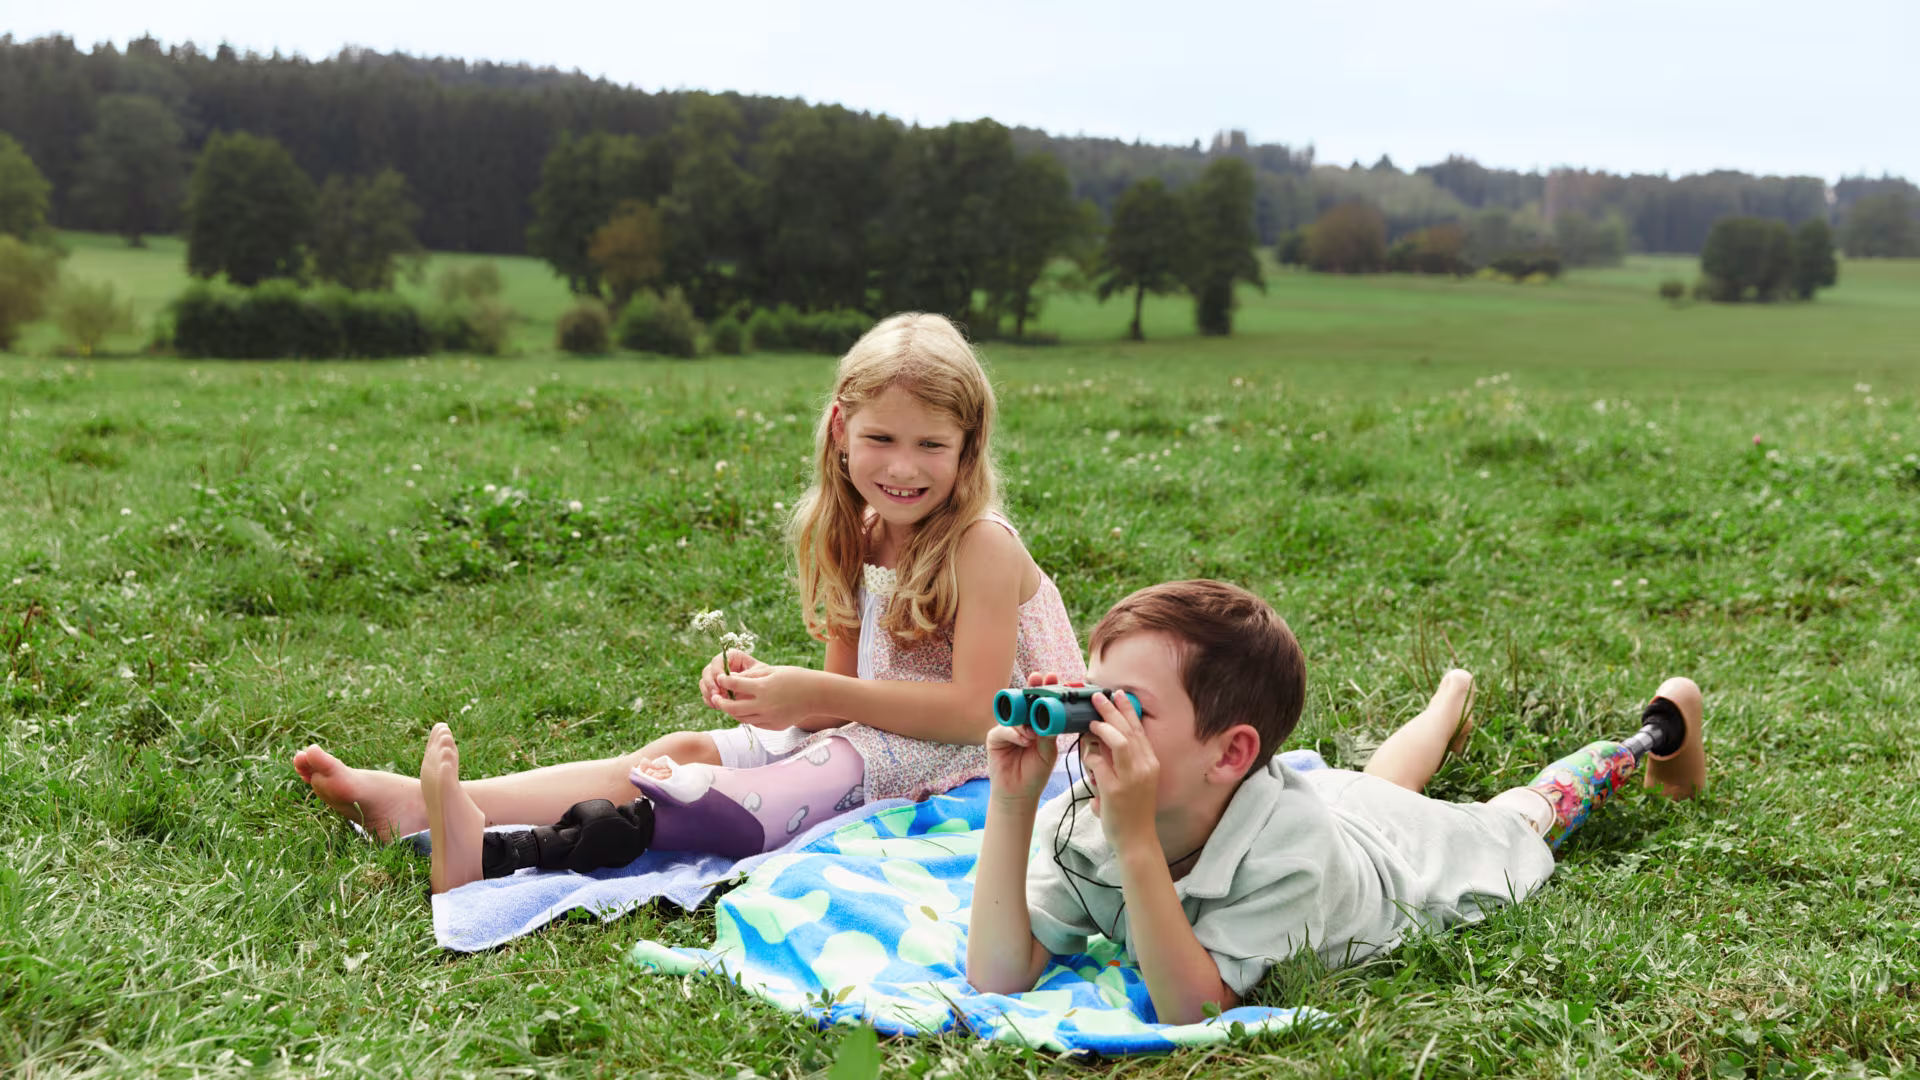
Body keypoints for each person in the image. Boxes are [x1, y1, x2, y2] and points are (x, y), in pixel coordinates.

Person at [293, 312, 1087, 893]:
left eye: (930, 446)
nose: (902, 467)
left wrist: (816, 697)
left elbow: (976, 711)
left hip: (987, 757)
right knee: (682, 753)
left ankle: (504, 853)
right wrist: (773, 697)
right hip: (876, 738)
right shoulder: (856, 530)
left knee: (761, 790)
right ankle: (431, 808)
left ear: (967, 448)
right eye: (881, 438)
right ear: (841, 430)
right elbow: (831, 704)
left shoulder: (982, 544)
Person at [965, 580, 1705, 1024]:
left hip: (1402, 857)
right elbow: (997, 975)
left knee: (1522, 812)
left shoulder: (1289, 854)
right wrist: (1014, 801)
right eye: (1092, 697)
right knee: (1378, 785)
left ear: (1230, 753)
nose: (1097, 723)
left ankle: (1659, 733)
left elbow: (1190, 1010)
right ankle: (1448, 701)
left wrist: (1133, 842)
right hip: (1344, 802)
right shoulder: (1089, 821)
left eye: (1130, 708)